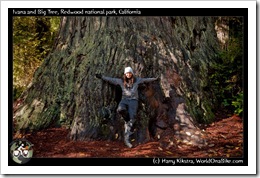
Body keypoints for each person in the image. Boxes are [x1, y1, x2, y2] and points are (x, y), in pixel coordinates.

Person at [96, 67, 158, 148]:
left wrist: (154, 78)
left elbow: (146, 80)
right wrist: (102, 77)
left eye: (129, 73)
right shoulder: (121, 81)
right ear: (125, 74)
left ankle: (127, 138)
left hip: (134, 101)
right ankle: (127, 118)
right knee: (120, 109)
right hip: (124, 100)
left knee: (133, 118)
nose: (128, 74)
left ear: (132, 73)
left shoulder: (137, 80)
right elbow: (111, 80)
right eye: (127, 73)